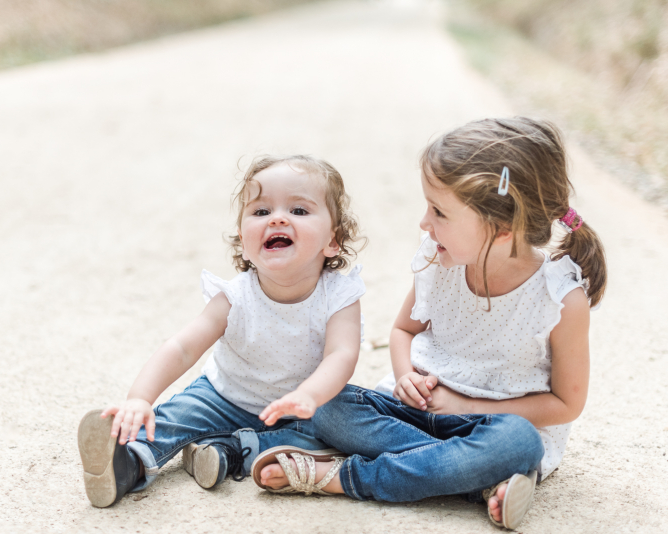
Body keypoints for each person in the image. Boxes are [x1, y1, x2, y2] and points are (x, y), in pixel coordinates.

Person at [254, 118, 607, 530]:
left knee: (518, 443)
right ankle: (474, 479)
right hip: (414, 412)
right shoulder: (440, 261)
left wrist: (469, 407)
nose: (425, 222)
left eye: (439, 211)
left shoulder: (560, 299)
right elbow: (404, 331)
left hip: (491, 426)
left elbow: (567, 405)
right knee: (330, 404)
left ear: (502, 228)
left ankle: (346, 476)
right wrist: (404, 376)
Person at [77, 155, 366, 507]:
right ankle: (128, 461)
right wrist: (140, 397)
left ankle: (224, 453)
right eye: (261, 212)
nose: (277, 217)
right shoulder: (234, 296)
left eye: (299, 211)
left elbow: (342, 354)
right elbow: (182, 347)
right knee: (174, 418)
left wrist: (309, 395)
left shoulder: (338, 295)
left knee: (333, 438)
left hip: (302, 408)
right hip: (224, 395)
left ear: (332, 241)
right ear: (243, 242)